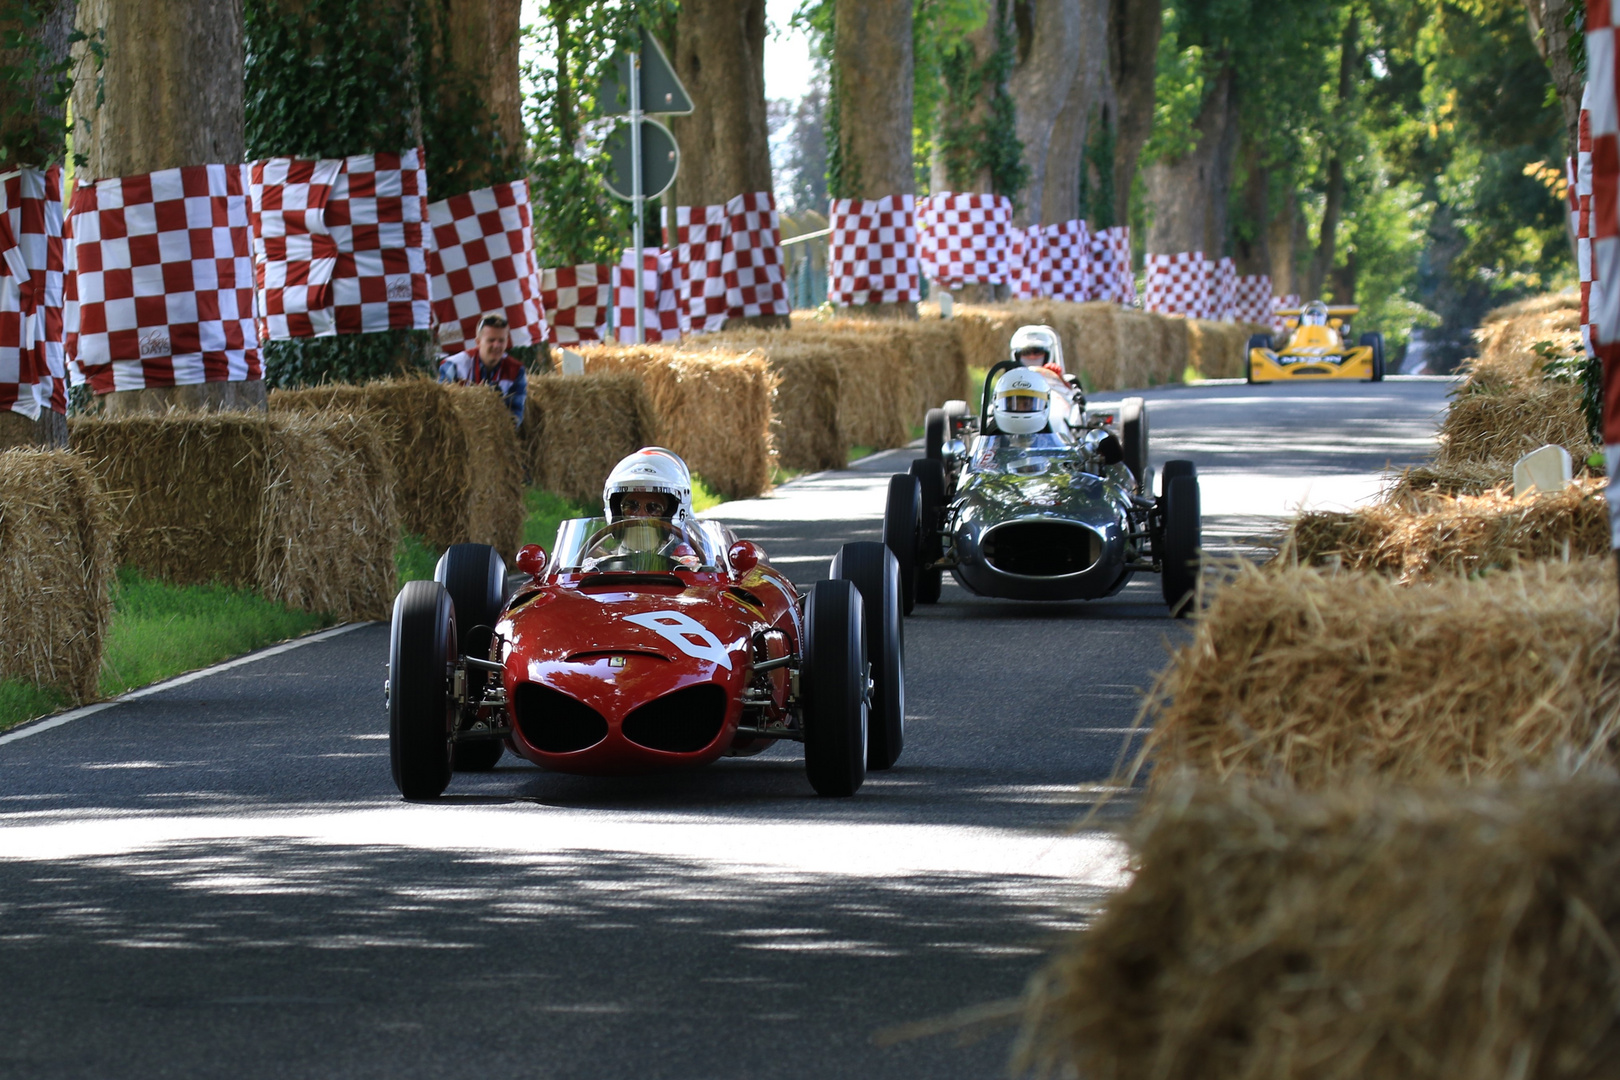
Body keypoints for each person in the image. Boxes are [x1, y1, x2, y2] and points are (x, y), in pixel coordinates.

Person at [597, 448, 702, 566]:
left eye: (653, 508)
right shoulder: (595, 567)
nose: (641, 516)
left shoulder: (690, 568)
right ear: (616, 510)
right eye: (631, 506)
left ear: (671, 512)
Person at [439, 314, 527, 425]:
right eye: (491, 340)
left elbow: (516, 415)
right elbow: (442, 409)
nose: (496, 345)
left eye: (501, 340)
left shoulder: (516, 370)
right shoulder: (454, 365)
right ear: (478, 342)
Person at [990, 367, 1052, 436]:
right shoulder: (989, 436)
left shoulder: (1056, 429)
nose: (1020, 409)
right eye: (1012, 404)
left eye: (1027, 404)